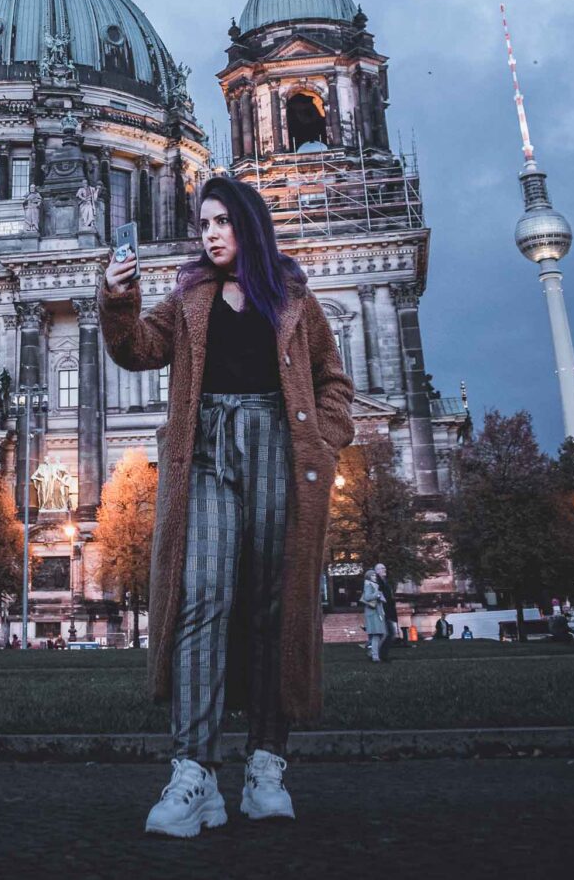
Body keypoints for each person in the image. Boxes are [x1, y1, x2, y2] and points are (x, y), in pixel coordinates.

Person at [100, 174, 354, 838]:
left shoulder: (294, 296)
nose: (210, 233)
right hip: (207, 449)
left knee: (275, 603)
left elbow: (334, 380)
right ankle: (194, 771)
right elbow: (134, 348)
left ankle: (266, 765)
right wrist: (118, 293)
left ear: (248, 224)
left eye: (221, 221)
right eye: (202, 223)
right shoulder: (187, 297)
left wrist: (325, 441)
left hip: (279, 444)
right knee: (200, 595)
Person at [360, 569, 387, 662]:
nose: (375, 577)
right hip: (373, 613)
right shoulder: (369, 585)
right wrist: (378, 594)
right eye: (373, 576)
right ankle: (375, 656)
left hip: (376, 612)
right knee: (377, 634)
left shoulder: (374, 585)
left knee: (379, 634)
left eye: (375, 576)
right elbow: (367, 597)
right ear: (368, 577)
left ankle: (370, 649)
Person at [374, 564, 399, 661]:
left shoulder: (385, 582)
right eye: (382, 568)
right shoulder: (378, 582)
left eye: (385, 567)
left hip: (388, 611)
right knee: (388, 633)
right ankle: (378, 654)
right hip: (383, 611)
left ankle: (381, 654)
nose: (385, 569)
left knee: (389, 633)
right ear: (377, 571)